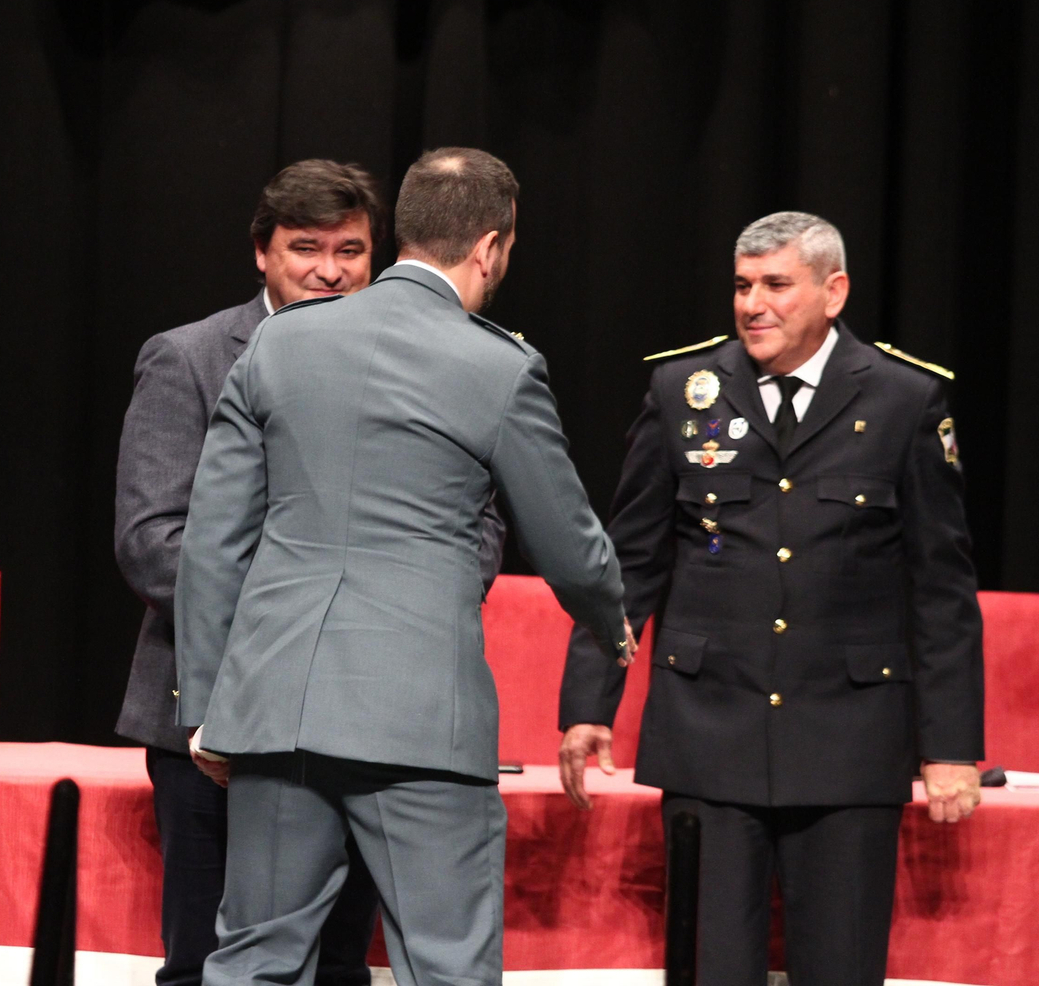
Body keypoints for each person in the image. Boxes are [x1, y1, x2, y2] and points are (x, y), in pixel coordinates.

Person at [175, 147, 628, 986]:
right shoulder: (499, 364)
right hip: (420, 721)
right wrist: (615, 626)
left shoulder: (277, 344)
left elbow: (212, 543)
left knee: (252, 963)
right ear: (491, 247)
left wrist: (207, 704)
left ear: (400, 235)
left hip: (278, 708)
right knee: (447, 967)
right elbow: (568, 545)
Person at [558, 211, 984, 985]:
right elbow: (630, 563)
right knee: (710, 969)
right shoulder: (683, 388)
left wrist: (949, 746)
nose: (753, 304)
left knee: (841, 969)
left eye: (776, 285)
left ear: (833, 291)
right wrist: (591, 701)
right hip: (708, 733)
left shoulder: (904, 398)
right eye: (742, 286)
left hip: (849, 741)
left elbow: (942, 590)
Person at [116, 159, 508, 986]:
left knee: (338, 965)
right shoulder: (187, 358)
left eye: (352, 250)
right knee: (210, 964)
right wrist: (297, 611)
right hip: (209, 714)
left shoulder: (432, 353)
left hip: (376, 716)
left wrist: (409, 595)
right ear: (261, 252)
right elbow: (152, 540)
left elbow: (480, 523)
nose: (330, 270)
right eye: (306, 248)